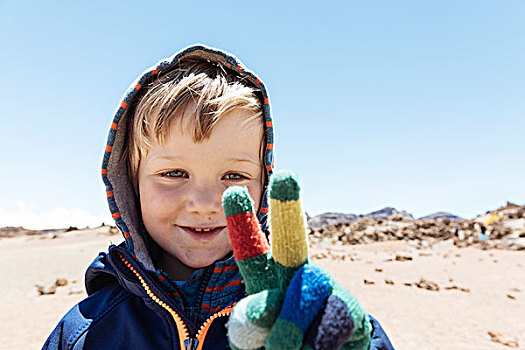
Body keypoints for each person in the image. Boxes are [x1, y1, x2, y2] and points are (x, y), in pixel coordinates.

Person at [42, 45, 394, 349]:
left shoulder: (300, 315)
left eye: (234, 176)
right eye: (174, 174)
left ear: (262, 188)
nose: (206, 203)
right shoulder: (84, 333)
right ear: (131, 187)